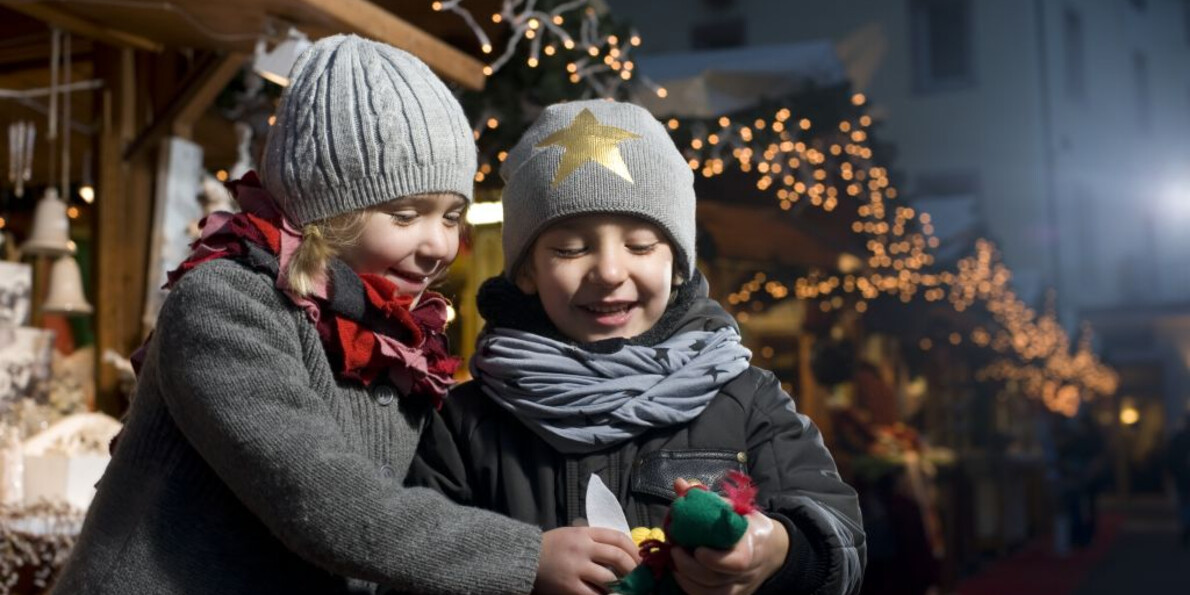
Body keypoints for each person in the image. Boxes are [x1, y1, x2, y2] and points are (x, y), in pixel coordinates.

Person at [53, 36, 637, 594]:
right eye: (407, 215)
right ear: (327, 211)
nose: (438, 245)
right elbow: (320, 496)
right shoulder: (229, 305)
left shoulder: (398, 337)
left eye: (451, 215)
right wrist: (524, 556)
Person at [410, 100, 866, 595]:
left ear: (677, 266)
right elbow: (405, 562)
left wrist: (775, 550)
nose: (609, 271)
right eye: (569, 248)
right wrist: (516, 565)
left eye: (642, 245)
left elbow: (840, 542)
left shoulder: (747, 401)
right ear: (526, 271)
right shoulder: (464, 423)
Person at [1168, 409, 1190, 547]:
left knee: (1184, 505)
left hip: (1182, 480)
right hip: (1183, 479)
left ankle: (1186, 530)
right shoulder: (1178, 439)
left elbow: (1171, 461)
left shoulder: (1178, 439)